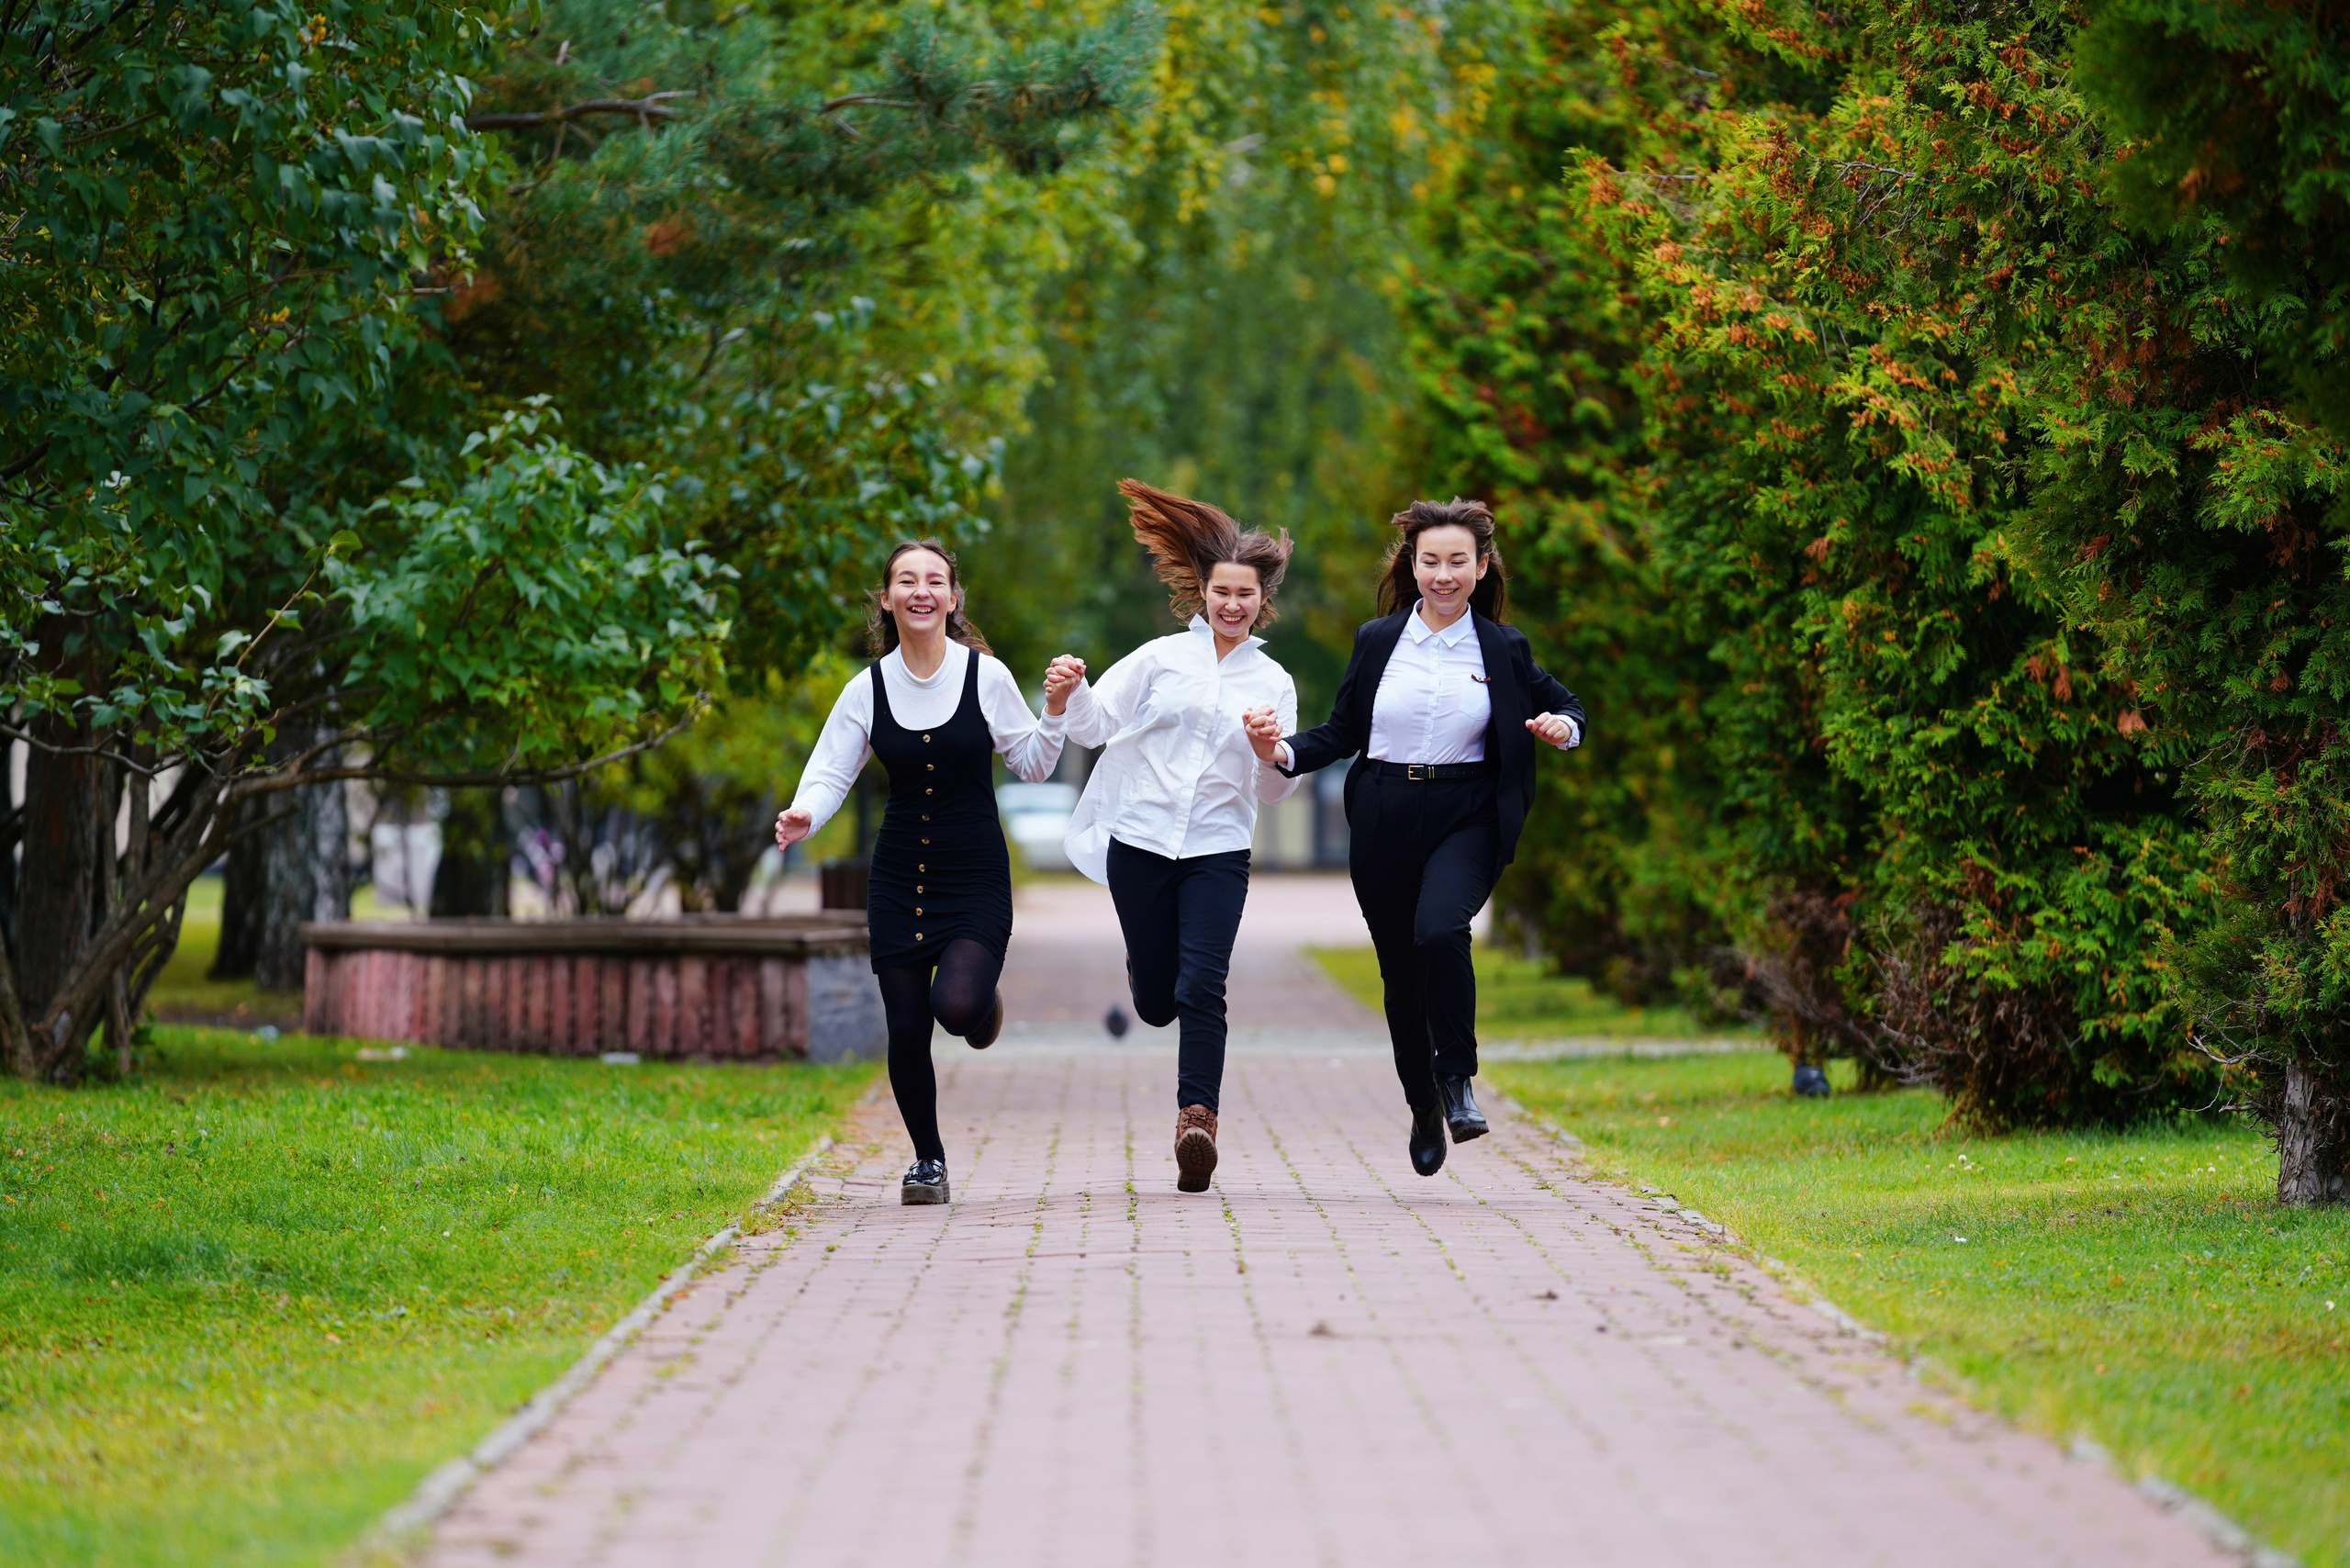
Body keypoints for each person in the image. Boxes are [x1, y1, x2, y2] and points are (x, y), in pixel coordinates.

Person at [1245, 499, 1583, 1178]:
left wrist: (1561, 728)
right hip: (1385, 812)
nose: (1443, 574)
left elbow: (1567, 705)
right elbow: (1342, 733)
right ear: (1412, 565)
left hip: (1469, 812)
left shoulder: (1503, 648)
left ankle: (1457, 1081)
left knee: (1440, 931)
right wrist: (1277, 749)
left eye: (1458, 561)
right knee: (1402, 980)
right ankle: (1422, 1103)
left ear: (1482, 567)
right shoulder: (1377, 640)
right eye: (1430, 561)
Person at [775, 541, 1083, 1205]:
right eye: (906, 581)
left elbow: (1031, 763)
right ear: (887, 600)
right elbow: (831, 768)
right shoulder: (869, 689)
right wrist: (805, 813)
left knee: (957, 1009)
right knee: (908, 1027)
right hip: (897, 881)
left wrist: (1054, 710)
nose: (922, 591)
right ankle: (928, 1161)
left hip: (974, 876)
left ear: (952, 598)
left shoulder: (986, 678)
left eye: (935, 581)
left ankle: (980, 1002)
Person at [1058, 479, 1300, 1193]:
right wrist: (1071, 691)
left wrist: (1268, 751)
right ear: (1203, 592)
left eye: (1245, 595)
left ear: (1262, 601)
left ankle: (1197, 1119)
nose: (1232, 604)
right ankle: (1145, 971)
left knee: (1204, 987)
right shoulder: (1160, 658)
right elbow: (1097, 726)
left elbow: (1278, 785)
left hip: (1218, 850)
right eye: (1221, 592)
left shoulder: (1275, 680)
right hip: (1139, 842)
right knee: (1158, 999)